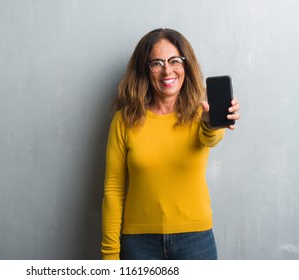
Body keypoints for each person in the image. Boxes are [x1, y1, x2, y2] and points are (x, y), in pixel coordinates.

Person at [101, 28, 241, 260]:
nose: (167, 70)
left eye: (174, 60)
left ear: (186, 65)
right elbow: (113, 190)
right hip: (139, 243)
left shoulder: (203, 114)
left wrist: (211, 122)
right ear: (144, 70)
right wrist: (109, 255)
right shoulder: (124, 120)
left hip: (195, 240)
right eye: (156, 63)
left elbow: (212, 138)